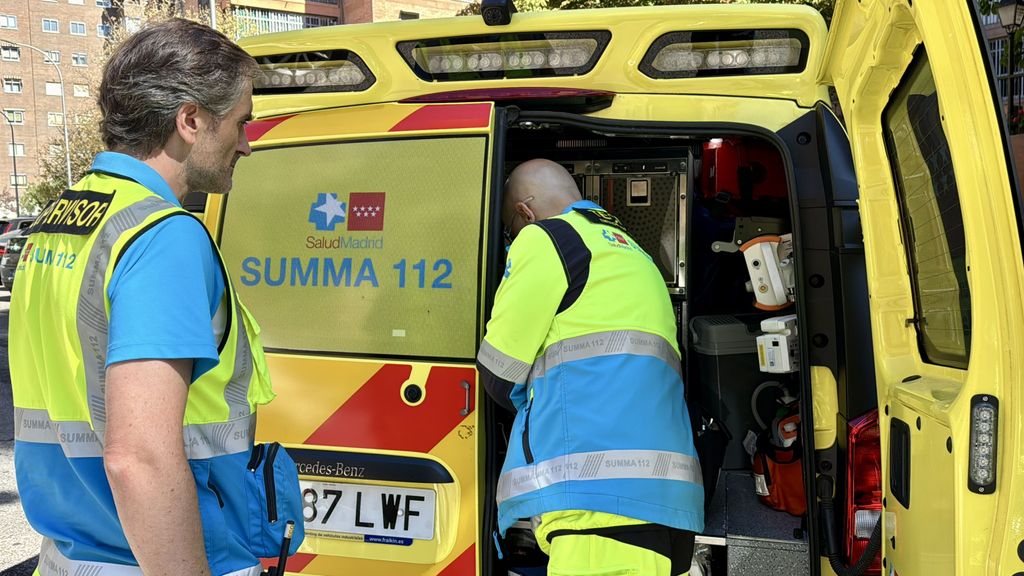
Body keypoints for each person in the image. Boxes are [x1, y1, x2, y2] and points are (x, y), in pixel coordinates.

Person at [10, 19, 301, 576]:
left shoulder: (60, 221)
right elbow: (139, 457)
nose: (246, 142)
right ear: (190, 120)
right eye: (241, 122)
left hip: (70, 556)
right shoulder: (163, 236)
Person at [477, 159, 704, 575]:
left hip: (596, 501)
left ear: (525, 213)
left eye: (510, 230)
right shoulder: (632, 251)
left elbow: (499, 372)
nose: (513, 240)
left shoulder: (547, 238)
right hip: (663, 504)